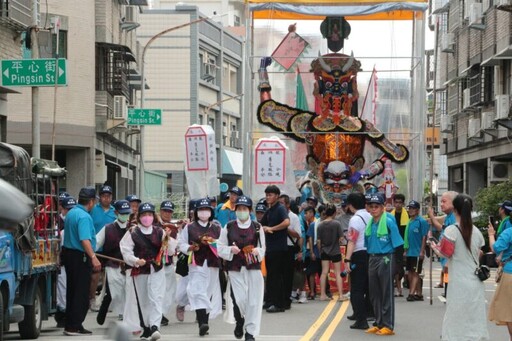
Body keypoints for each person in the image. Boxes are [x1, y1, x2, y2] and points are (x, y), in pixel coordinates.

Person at [430, 194, 489, 341]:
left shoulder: (452, 230)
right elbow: (479, 253)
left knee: (456, 318)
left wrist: (434, 247)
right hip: (476, 283)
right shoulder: (476, 231)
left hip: (459, 283)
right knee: (474, 317)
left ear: (455, 209)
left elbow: (445, 254)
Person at [219, 196, 266, 341]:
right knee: (239, 299)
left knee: (254, 301)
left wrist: (258, 252)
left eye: (244, 209)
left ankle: (250, 332)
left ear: (249, 210)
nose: (241, 211)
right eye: (239, 209)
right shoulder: (228, 227)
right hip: (235, 269)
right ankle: (240, 321)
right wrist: (229, 250)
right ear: (235, 210)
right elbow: (220, 247)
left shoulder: (257, 227)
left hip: (253, 268)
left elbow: (263, 248)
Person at [120, 202, 169, 341]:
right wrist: (135, 260)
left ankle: (155, 326)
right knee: (142, 300)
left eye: (149, 214)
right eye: (144, 215)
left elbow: (169, 250)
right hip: (140, 270)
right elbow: (125, 249)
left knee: (156, 297)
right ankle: (146, 327)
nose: (147, 217)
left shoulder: (160, 231)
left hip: (156, 270)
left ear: (153, 216)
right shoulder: (133, 232)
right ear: (139, 216)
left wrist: (168, 240)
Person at [178, 198, 222, 336]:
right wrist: (190, 247)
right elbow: (181, 243)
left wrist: (214, 243)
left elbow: (222, 245)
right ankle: (202, 322)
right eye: (201, 210)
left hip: (212, 263)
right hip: (197, 263)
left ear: (211, 212)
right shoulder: (189, 227)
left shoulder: (216, 228)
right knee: (197, 290)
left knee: (207, 292)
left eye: (207, 209)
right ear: (197, 212)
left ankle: (205, 321)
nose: (204, 212)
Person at [62, 187, 101, 336]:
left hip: (69, 255)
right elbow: (84, 240)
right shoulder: (84, 217)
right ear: (91, 202)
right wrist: (93, 257)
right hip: (81, 256)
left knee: (72, 291)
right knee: (81, 293)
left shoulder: (71, 213)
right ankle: (74, 325)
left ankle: (70, 324)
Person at [364, 194, 404, 336]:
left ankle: (388, 325)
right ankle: (379, 322)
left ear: (382, 208)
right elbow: (367, 245)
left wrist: (399, 265)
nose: (373, 209)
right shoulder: (370, 224)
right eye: (371, 206)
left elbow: (398, 244)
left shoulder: (388, 222)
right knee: (374, 294)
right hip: (373, 258)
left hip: (387, 257)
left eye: (376, 207)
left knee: (386, 292)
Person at [95, 200, 132, 325]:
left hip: (129, 265)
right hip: (112, 265)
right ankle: (103, 313)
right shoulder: (108, 228)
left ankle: (126, 315)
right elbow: (96, 243)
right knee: (113, 293)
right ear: (116, 212)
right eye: (122, 213)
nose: (125, 216)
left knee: (129, 290)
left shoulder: (133, 228)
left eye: (127, 213)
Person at [344, 193, 372, 330]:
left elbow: (352, 241)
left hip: (358, 254)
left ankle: (361, 320)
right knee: (367, 287)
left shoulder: (355, 219)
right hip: (370, 254)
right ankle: (365, 313)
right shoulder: (370, 216)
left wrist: (347, 259)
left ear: (350, 205)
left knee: (356, 289)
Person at [261, 185, 290, 313]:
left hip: (279, 248)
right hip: (270, 248)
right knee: (271, 276)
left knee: (277, 276)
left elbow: (286, 222)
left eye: (271, 195)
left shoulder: (280, 208)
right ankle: (270, 301)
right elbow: (261, 224)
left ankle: (279, 304)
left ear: (277, 196)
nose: (268, 197)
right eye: (267, 195)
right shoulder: (269, 210)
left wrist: (271, 229)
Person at [90, 185, 116, 311]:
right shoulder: (93, 210)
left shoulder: (115, 211)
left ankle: (109, 300)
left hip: (110, 248)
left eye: (108, 196)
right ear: (99, 197)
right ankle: (92, 299)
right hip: (96, 248)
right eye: (104, 196)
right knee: (95, 274)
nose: (106, 198)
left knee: (110, 276)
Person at [488, 204, 512, 339]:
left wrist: (491, 234)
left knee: (509, 311)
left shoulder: (509, 232)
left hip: (510, 273)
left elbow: (495, 248)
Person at [427, 191, 457, 291]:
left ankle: (448, 290)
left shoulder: (453, 217)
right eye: (441, 202)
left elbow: (440, 228)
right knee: (446, 272)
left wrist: (431, 216)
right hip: (444, 252)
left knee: (448, 273)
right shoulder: (448, 216)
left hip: (449, 254)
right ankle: (446, 289)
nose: (441, 204)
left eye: (444, 201)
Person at [156, 200, 180, 326]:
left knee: (170, 290)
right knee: (157, 290)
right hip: (155, 263)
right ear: (160, 211)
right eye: (165, 210)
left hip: (168, 262)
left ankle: (161, 313)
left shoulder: (173, 228)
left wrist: (168, 237)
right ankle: (157, 314)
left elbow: (173, 248)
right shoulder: (154, 225)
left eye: (169, 211)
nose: (167, 213)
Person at [55, 196, 77, 328]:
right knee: (62, 291)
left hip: (73, 262)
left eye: (72, 209)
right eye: (67, 209)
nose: (69, 212)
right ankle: (62, 315)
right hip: (62, 263)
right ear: (62, 209)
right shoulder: (57, 222)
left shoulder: (77, 220)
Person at [278, 194, 302, 309]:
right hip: (277, 248)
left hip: (289, 248)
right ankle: (277, 299)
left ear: (287, 205)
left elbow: (298, 235)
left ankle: (286, 300)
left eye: (282, 203)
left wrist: (285, 227)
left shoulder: (294, 217)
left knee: (287, 275)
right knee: (278, 275)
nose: (280, 206)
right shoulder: (275, 214)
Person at [316, 204, 344, 301]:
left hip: (324, 251)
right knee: (337, 272)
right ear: (334, 213)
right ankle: (341, 295)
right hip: (335, 250)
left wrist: (321, 250)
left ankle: (322, 294)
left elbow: (318, 241)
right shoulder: (337, 224)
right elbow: (341, 238)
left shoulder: (320, 225)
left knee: (324, 272)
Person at [403, 200, 429, 302]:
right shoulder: (410, 221)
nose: (411, 210)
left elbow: (424, 237)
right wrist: (405, 250)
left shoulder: (421, 221)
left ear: (418, 210)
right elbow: (407, 238)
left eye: (413, 208)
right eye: (410, 208)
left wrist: (422, 251)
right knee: (410, 272)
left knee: (415, 273)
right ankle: (419, 293)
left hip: (418, 252)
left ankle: (411, 293)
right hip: (410, 251)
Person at [390, 193, 408, 297]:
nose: (398, 204)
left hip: (404, 245)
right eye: (396, 202)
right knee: (394, 267)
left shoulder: (408, 215)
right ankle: (398, 288)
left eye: (400, 202)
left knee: (401, 268)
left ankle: (399, 286)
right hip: (392, 244)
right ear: (393, 203)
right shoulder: (389, 216)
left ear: (403, 203)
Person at [304, 206, 320, 300]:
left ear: (312, 214)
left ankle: (313, 292)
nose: (305, 215)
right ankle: (313, 291)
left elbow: (310, 238)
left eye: (307, 213)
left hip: (314, 251)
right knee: (311, 272)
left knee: (313, 272)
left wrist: (311, 252)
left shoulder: (314, 224)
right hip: (312, 251)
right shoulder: (307, 223)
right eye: (305, 214)